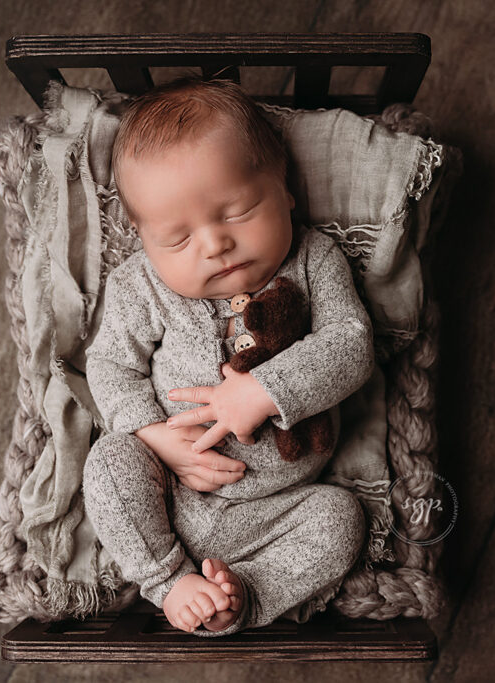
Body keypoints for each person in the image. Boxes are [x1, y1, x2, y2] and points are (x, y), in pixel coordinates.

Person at [82, 76, 374, 636]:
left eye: (238, 211)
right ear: (143, 242)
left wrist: (268, 389)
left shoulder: (314, 259)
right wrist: (149, 434)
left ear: (284, 191)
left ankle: (246, 595)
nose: (214, 244)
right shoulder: (138, 288)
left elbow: (351, 343)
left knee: (341, 520)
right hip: (169, 493)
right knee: (110, 463)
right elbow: (111, 364)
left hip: (279, 506)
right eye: (177, 239)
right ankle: (168, 582)